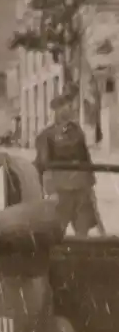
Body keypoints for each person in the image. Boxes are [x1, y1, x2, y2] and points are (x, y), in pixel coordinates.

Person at [34, 87, 103, 236]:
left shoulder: (77, 131)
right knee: (56, 232)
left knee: (82, 231)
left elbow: (85, 157)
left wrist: (90, 186)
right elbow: (42, 165)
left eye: (68, 105)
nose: (68, 109)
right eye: (63, 106)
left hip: (80, 189)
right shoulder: (46, 136)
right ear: (55, 111)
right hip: (60, 190)